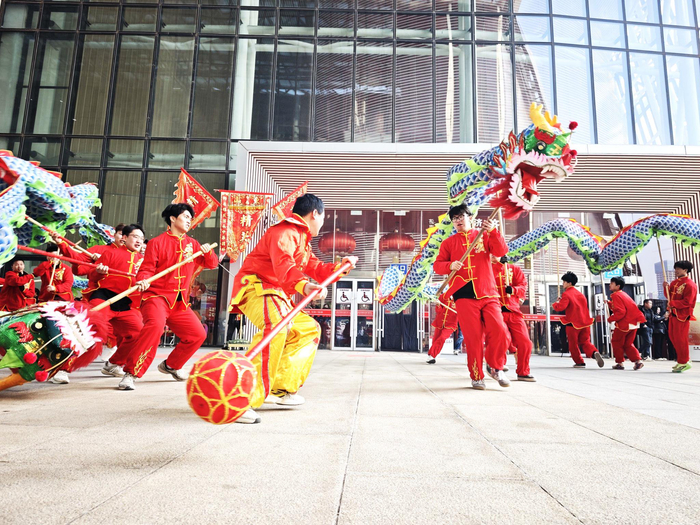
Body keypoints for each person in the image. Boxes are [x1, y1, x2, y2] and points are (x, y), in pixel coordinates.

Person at [230, 194, 357, 424]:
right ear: (315, 213)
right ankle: (240, 399)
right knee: (277, 327)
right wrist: (305, 285)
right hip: (258, 287)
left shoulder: (302, 240)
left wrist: (341, 266)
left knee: (308, 329)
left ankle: (280, 388)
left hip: (276, 294)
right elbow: (284, 265)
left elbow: (316, 268)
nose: (323, 222)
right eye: (323, 217)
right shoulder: (285, 231)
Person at [118, 204, 218, 390]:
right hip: (156, 297)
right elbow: (147, 268)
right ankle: (131, 373)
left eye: (190, 218)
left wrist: (208, 251)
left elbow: (212, 264)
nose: (189, 221)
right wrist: (143, 279)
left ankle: (171, 365)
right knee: (155, 327)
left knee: (197, 334)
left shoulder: (193, 244)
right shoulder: (157, 243)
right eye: (185, 216)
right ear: (172, 218)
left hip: (179, 302)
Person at [433, 204, 510, 390]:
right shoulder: (449, 243)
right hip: (463, 295)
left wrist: (493, 232)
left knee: (500, 331)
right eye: (455, 219)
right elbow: (437, 266)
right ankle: (476, 376)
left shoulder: (483, 234)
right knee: (473, 338)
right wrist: (450, 266)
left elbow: (501, 252)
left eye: (461, 217)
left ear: (470, 217)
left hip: (488, 291)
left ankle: (495, 367)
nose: (458, 221)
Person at [491, 255, 535, 381]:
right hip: (495, 311)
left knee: (525, 342)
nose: (494, 255)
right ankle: (497, 367)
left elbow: (523, 286)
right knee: (501, 340)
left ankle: (523, 371)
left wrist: (514, 290)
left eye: (497, 252)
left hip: (514, 311)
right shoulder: (487, 269)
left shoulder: (514, 269)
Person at [552, 271, 604, 368]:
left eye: (564, 281)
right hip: (585, 322)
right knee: (585, 342)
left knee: (573, 344)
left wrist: (556, 303)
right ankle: (594, 352)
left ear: (569, 283)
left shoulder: (566, 294)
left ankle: (579, 362)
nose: (563, 283)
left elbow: (560, 307)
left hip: (573, 323)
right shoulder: (580, 294)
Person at [664, 260, 697, 373]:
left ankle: (684, 361)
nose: (676, 271)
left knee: (681, 339)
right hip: (673, 314)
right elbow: (669, 297)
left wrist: (673, 303)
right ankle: (682, 360)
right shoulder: (674, 283)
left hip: (682, 315)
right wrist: (665, 287)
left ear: (685, 270)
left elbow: (688, 302)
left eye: (678, 268)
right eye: (675, 268)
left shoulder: (690, 284)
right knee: (673, 337)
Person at [607, 277, 645, 370]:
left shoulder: (615, 295)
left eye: (612, 283)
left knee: (616, 342)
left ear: (618, 286)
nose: (610, 285)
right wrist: (609, 303)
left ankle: (620, 363)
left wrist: (611, 319)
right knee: (628, 343)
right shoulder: (623, 294)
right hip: (634, 322)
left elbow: (621, 312)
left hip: (625, 323)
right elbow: (620, 307)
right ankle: (637, 361)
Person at [426, 294, 458, 364]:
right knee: (436, 339)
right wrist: (438, 305)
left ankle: (432, 355)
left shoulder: (459, 299)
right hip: (440, 322)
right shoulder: (443, 296)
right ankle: (433, 355)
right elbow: (439, 311)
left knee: (442, 338)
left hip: (451, 324)